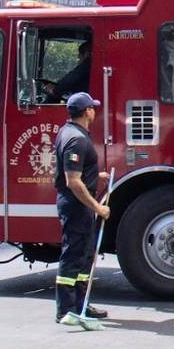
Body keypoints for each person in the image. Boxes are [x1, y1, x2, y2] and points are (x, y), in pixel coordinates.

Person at [54, 91, 111, 325]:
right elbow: (73, 181)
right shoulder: (77, 139)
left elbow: (75, 173)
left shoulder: (69, 133)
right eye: (93, 107)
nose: (95, 110)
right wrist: (98, 207)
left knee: (84, 257)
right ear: (87, 111)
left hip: (78, 204)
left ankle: (81, 304)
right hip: (77, 206)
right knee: (73, 255)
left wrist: (95, 176)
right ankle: (66, 310)